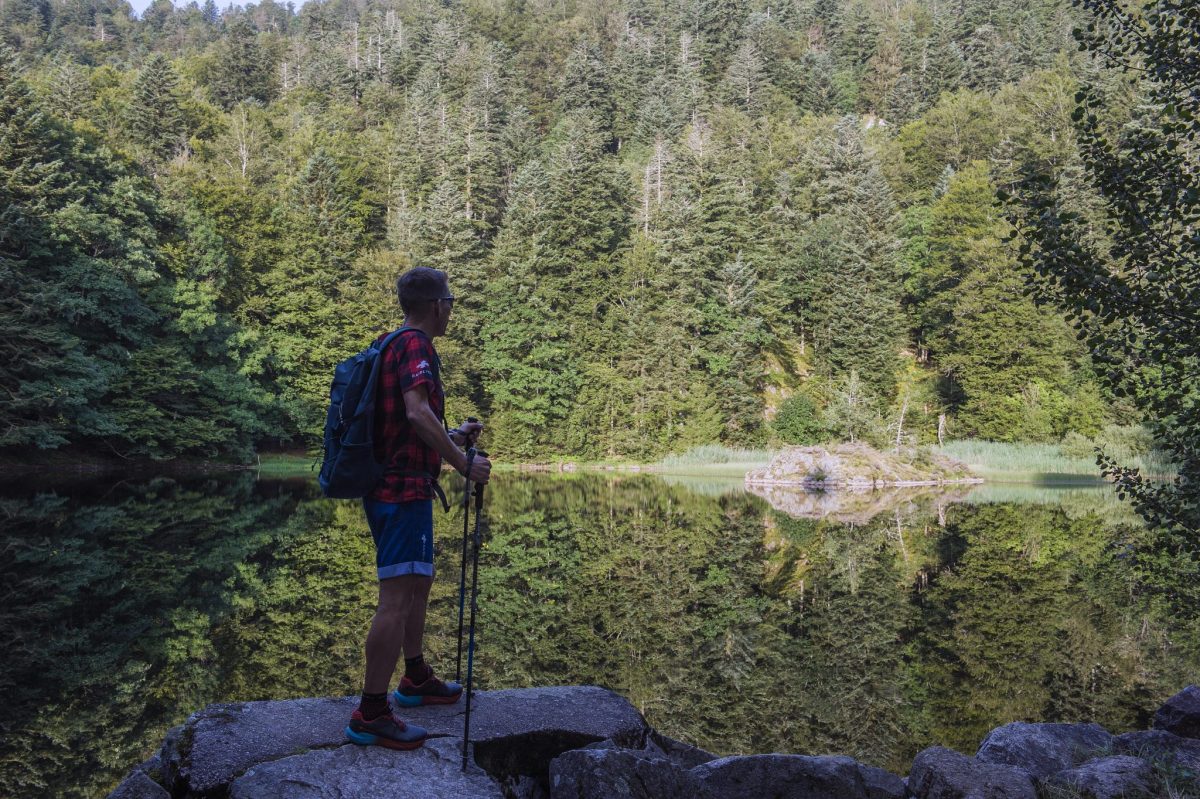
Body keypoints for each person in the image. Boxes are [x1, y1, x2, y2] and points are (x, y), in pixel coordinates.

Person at [345, 266, 492, 751]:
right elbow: (415, 412)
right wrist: (462, 462)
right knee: (395, 599)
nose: (451, 310)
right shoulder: (416, 345)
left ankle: (414, 677)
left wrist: (450, 439)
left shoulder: (390, 342)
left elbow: (407, 428)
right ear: (437, 305)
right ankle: (371, 712)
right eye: (450, 302)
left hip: (400, 483)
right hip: (400, 491)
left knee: (419, 583)